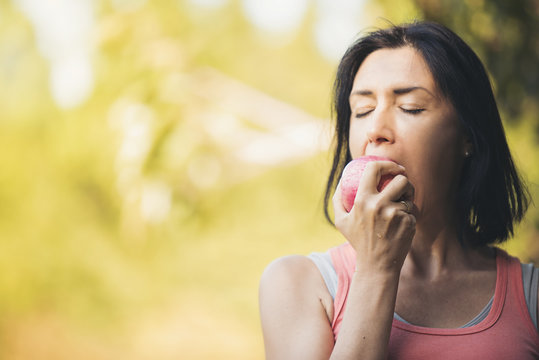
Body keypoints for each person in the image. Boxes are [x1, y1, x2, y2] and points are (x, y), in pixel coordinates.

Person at [259, 21, 539, 359]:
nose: (375, 130)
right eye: (362, 110)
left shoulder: (531, 295)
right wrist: (377, 269)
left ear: (468, 135)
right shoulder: (296, 285)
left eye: (410, 108)